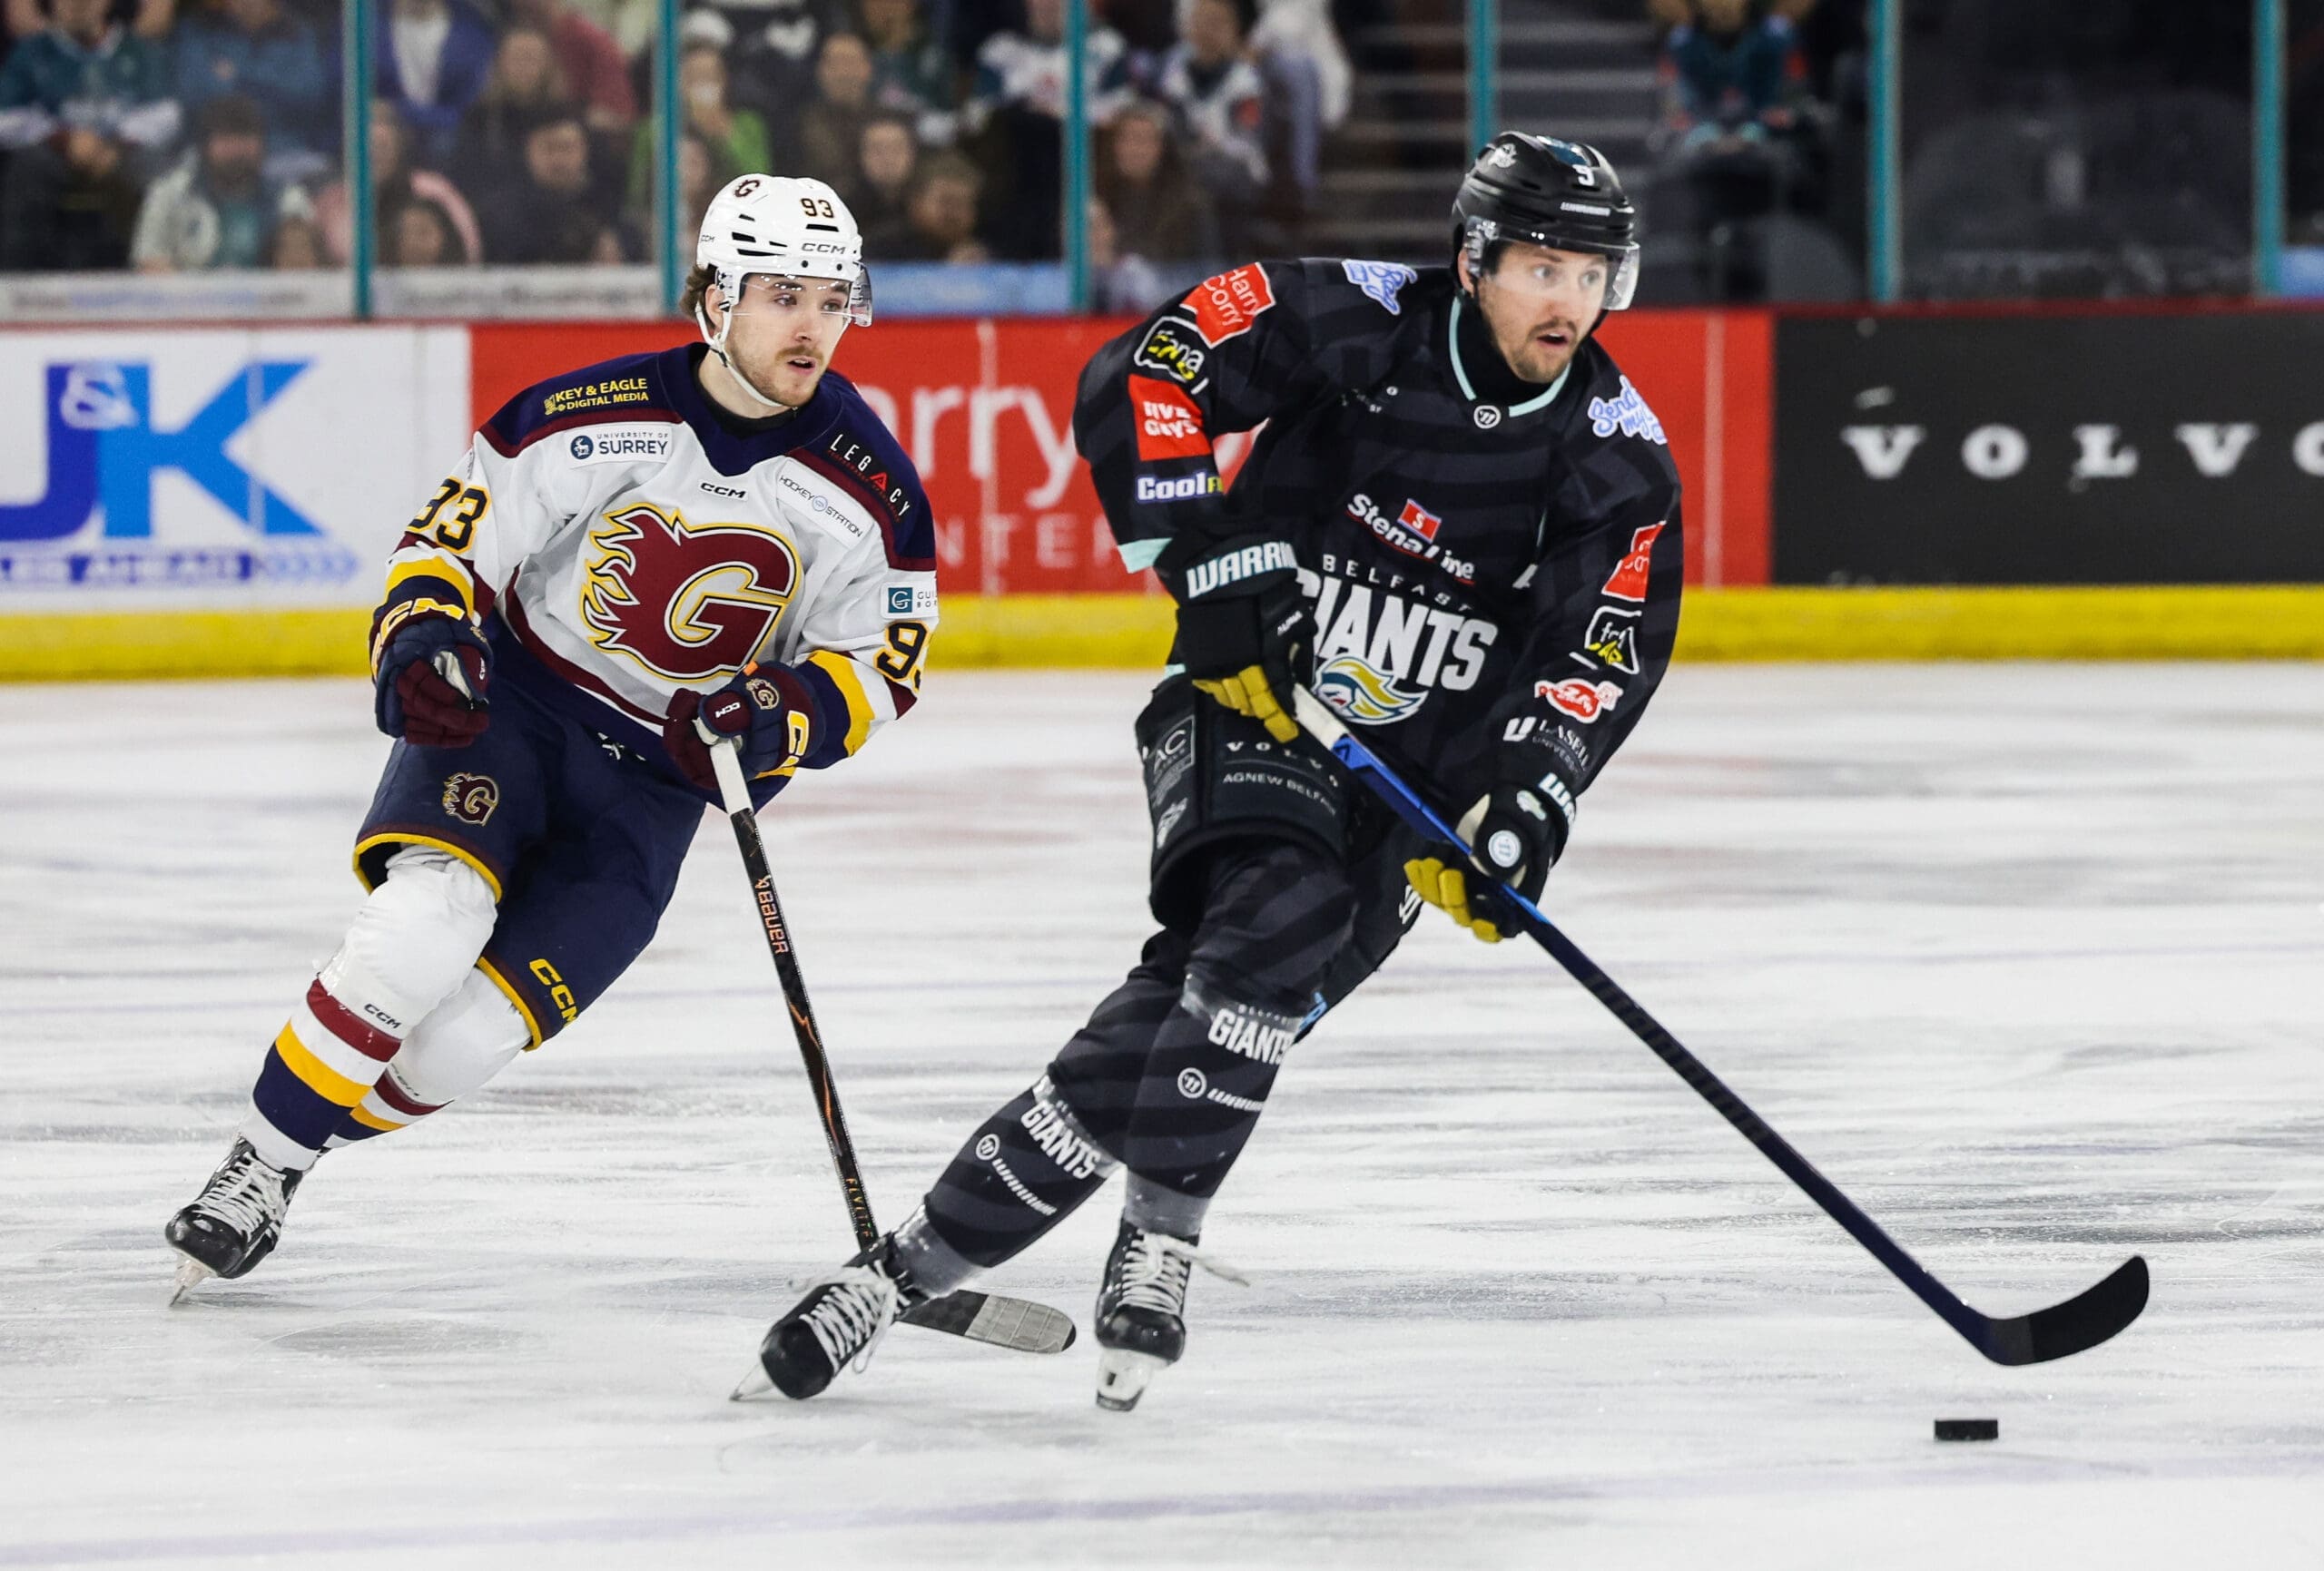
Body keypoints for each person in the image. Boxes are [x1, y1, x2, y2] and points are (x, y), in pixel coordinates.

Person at [748, 133, 1684, 1410]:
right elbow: (1152, 367)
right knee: (1276, 920)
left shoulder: (1616, 456)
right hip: (1251, 707)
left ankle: (898, 1269)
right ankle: (1164, 1236)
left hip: (1402, 790)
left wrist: (1525, 798)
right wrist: (1211, 559)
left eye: (1592, 274)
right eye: (1541, 267)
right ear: (1473, 261)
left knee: (1183, 1023)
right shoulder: (1352, 314)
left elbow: (1595, 653)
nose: (1568, 302)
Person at [165, 173, 939, 1296]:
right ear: (713, 297)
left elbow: (886, 664)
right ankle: (258, 1169)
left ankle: (291, 1153)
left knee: (465, 1043)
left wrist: (783, 710)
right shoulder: (594, 410)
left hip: (661, 789)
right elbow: (451, 536)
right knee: (423, 927)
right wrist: (425, 632)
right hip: (519, 717)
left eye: (832, 297)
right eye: (782, 294)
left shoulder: (872, 488)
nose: (811, 323)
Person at [0, 0, 179, 271]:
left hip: (119, 156)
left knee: (157, 170)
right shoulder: (33, 52)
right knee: (27, 168)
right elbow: (5, 117)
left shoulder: (137, 50)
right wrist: (64, 140)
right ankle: (18, 282)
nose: (77, 5)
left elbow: (167, 114)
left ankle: (149, 271)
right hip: (54, 160)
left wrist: (114, 144)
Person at [130, 92, 311, 270]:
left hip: (267, 297)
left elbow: (304, 272)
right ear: (205, 145)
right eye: (226, 138)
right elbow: (149, 261)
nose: (236, 149)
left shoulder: (288, 199)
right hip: (188, 297)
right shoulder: (169, 194)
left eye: (245, 137)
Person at [171, 0, 332, 178]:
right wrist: (271, 89)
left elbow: (308, 95)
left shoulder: (297, 34)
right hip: (213, 153)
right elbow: (195, 94)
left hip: (284, 152)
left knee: (323, 176)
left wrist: (239, 77)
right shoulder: (202, 29)